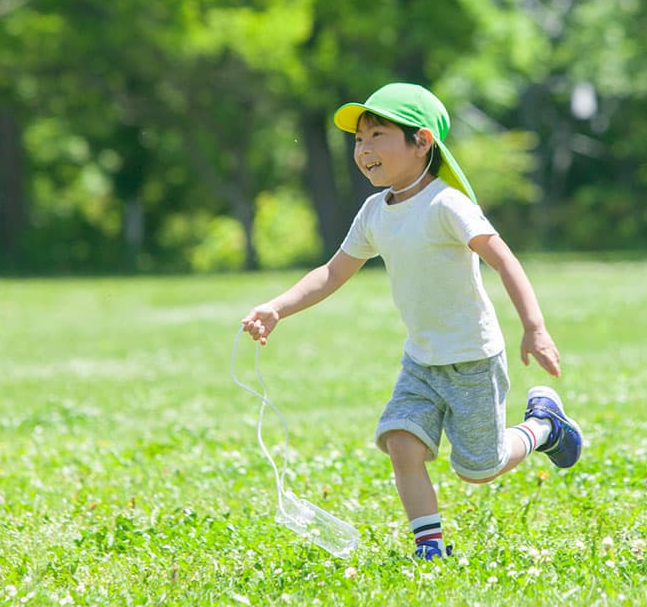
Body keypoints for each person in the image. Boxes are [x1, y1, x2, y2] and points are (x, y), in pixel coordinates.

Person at [241, 82, 582, 559]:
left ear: (421, 142)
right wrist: (277, 307)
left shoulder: (447, 204)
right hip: (421, 359)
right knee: (401, 441)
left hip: (471, 360)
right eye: (359, 140)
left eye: (377, 134)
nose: (364, 150)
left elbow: (504, 260)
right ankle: (430, 547)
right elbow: (332, 271)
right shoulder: (374, 212)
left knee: (478, 469)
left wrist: (535, 327)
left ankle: (544, 426)